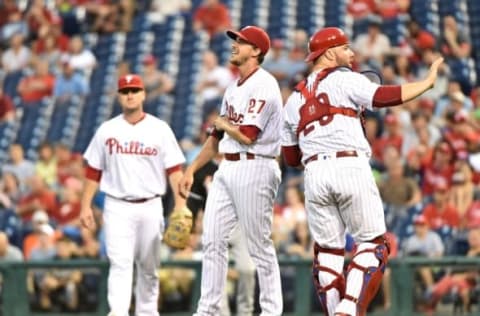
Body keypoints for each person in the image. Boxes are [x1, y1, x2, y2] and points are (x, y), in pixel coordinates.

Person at [280, 27, 443, 316]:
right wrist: (427, 82)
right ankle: (348, 309)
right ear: (330, 53)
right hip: (349, 165)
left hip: (314, 174)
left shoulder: (293, 99)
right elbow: (384, 96)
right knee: (373, 245)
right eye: (345, 48)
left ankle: (335, 311)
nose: (351, 54)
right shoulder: (344, 78)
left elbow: (291, 157)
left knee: (328, 253)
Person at [179, 25, 284, 316]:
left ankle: (271, 311)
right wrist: (192, 170)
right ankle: (209, 309)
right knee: (211, 240)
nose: (235, 44)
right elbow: (215, 138)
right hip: (227, 167)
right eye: (235, 40)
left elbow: (248, 134)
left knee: (259, 245)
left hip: (257, 166)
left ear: (257, 51)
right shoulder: (232, 87)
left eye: (242, 41)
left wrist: (223, 124)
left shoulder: (264, 83)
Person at [80, 73, 187, 316]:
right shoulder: (107, 130)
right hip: (117, 206)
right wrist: (85, 206)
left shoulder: (160, 129)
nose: (130, 95)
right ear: (119, 97)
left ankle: (147, 312)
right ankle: (117, 312)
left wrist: (180, 206)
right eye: (125, 92)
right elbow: (92, 171)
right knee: (120, 264)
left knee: (149, 267)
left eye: (135, 91)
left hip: (151, 205)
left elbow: (175, 172)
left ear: (143, 95)